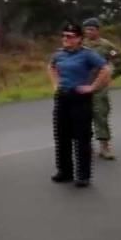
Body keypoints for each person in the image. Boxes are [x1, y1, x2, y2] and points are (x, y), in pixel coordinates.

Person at [47, 22, 112, 188]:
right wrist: (55, 84)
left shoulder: (87, 54)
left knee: (82, 138)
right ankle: (65, 171)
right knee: (62, 136)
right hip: (63, 97)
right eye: (63, 36)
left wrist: (92, 87)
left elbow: (105, 69)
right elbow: (51, 67)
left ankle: (83, 175)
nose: (65, 39)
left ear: (79, 39)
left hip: (80, 98)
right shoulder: (59, 54)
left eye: (69, 36)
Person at [82, 18, 121, 160]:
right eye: (87, 29)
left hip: (99, 87)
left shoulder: (106, 46)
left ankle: (104, 147)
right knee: (82, 117)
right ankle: (84, 146)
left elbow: (120, 61)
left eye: (92, 29)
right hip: (82, 86)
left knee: (100, 114)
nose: (89, 32)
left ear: (98, 30)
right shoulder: (80, 45)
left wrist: (111, 76)